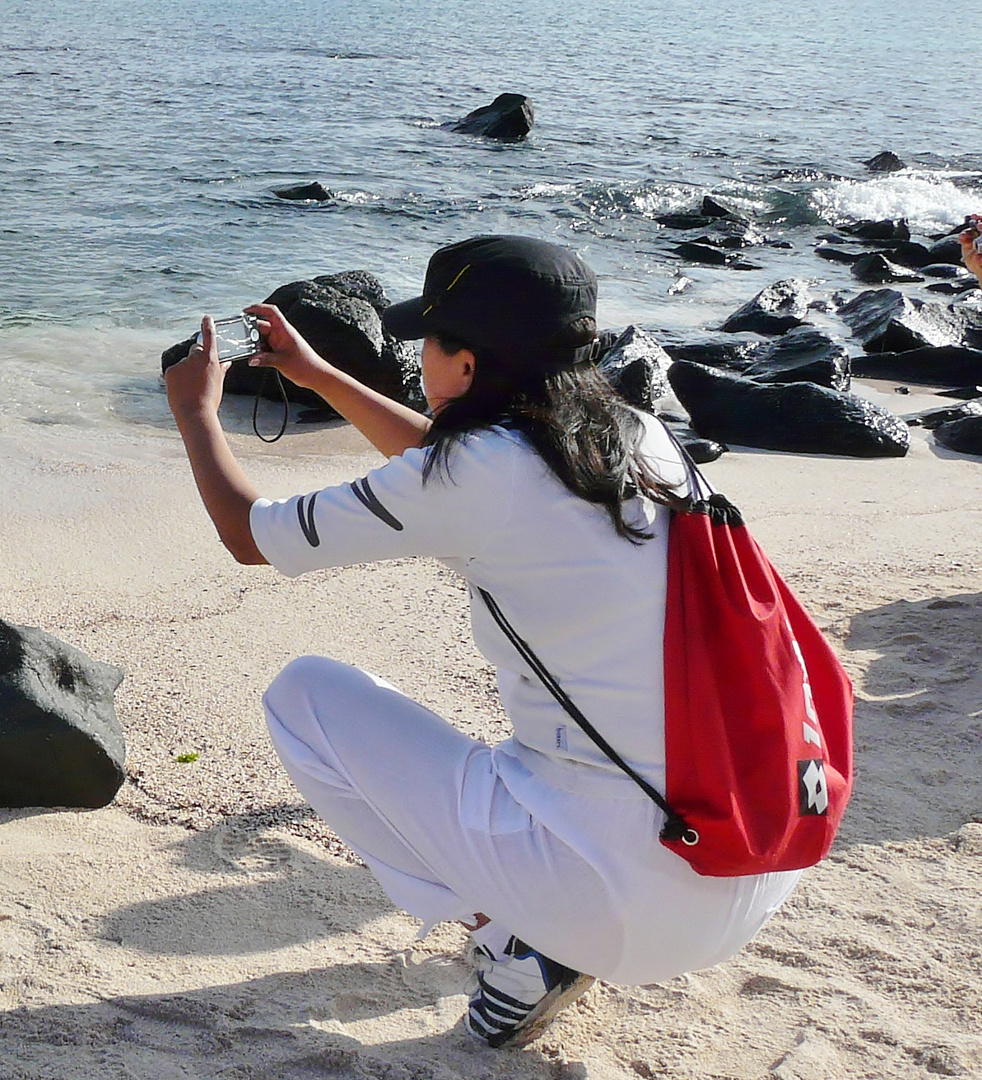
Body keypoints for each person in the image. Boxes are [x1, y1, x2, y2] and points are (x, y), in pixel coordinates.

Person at [163, 236, 803, 1049]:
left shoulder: (480, 473)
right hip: (748, 851)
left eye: (426, 341)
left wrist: (193, 411)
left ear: (464, 364)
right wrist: (317, 376)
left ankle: (517, 943)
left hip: (626, 902)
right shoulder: (635, 436)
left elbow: (249, 537)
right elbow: (455, 471)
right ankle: (541, 927)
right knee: (548, 749)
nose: (418, 355)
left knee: (305, 697)